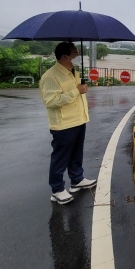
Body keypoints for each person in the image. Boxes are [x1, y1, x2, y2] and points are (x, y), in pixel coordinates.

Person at [39, 42, 96, 204]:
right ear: (65, 56)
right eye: (74, 52)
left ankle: (77, 179)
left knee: (76, 153)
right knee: (61, 157)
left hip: (79, 119)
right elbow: (51, 101)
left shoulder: (73, 72)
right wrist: (76, 90)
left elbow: (77, 93)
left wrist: (81, 89)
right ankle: (57, 189)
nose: (77, 55)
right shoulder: (51, 76)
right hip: (64, 124)